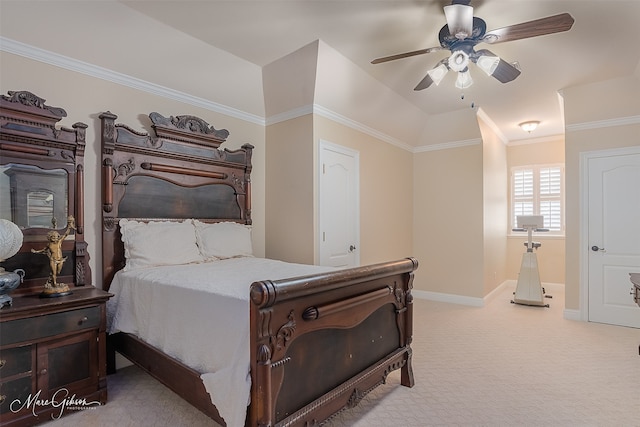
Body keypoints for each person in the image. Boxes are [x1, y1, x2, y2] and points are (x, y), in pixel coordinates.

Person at [32, 216, 75, 288]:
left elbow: (65, 234)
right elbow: (44, 250)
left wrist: (69, 227)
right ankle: (54, 283)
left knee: (58, 272)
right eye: (53, 237)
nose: (55, 238)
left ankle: (50, 279)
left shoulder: (59, 242)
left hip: (60, 260)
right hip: (53, 260)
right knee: (54, 273)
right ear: (50, 237)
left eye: (56, 237)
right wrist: (36, 251)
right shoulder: (49, 244)